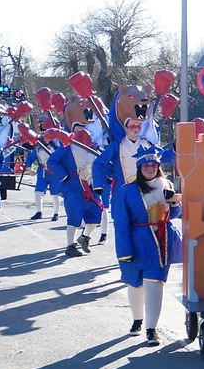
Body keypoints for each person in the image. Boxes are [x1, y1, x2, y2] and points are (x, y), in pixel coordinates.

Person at [114, 145, 182, 346]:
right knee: (135, 284)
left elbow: (176, 215)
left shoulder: (166, 184)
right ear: (139, 167)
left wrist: (175, 204)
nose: (150, 168)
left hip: (161, 242)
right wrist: (124, 251)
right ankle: (137, 320)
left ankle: (152, 329)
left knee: (155, 284)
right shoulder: (127, 190)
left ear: (158, 166)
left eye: (153, 165)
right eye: (145, 165)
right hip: (136, 241)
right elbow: (121, 223)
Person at [47, 123, 103, 257]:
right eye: (77, 128)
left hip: (91, 187)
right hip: (73, 187)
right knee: (74, 217)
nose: (80, 130)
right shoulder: (66, 148)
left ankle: (84, 237)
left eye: (82, 127)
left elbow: (101, 163)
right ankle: (70, 245)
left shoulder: (92, 147)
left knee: (96, 215)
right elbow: (51, 162)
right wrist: (64, 176)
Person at [24, 135, 62, 221]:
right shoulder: (38, 148)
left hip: (54, 173)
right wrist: (30, 170)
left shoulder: (56, 148)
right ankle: (39, 212)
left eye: (49, 136)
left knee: (55, 194)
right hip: (42, 172)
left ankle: (56, 213)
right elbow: (29, 159)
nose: (47, 139)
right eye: (45, 137)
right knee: (38, 192)